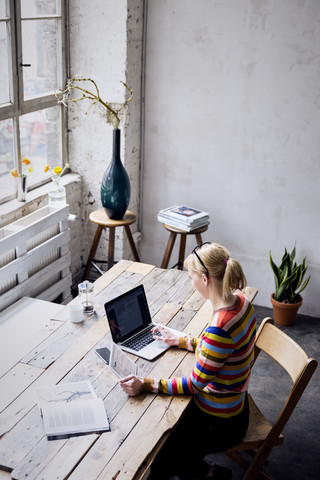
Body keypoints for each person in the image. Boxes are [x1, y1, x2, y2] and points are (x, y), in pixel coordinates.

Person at [120, 242, 256, 480]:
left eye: (191, 276)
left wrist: (145, 383)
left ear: (205, 279)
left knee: (163, 455)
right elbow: (220, 350)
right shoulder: (241, 302)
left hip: (222, 423)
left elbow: (194, 385)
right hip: (234, 407)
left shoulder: (220, 328)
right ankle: (206, 471)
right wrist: (183, 340)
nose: (190, 282)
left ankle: (209, 474)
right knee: (168, 439)